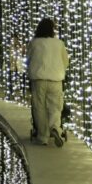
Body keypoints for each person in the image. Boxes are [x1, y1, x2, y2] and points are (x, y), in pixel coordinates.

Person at [26, 18, 69, 147]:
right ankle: (55, 127)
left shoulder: (34, 43)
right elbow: (65, 61)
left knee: (39, 107)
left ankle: (42, 136)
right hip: (56, 79)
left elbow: (28, 59)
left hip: (38, 79)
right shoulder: (59, 43)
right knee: (55, 106)